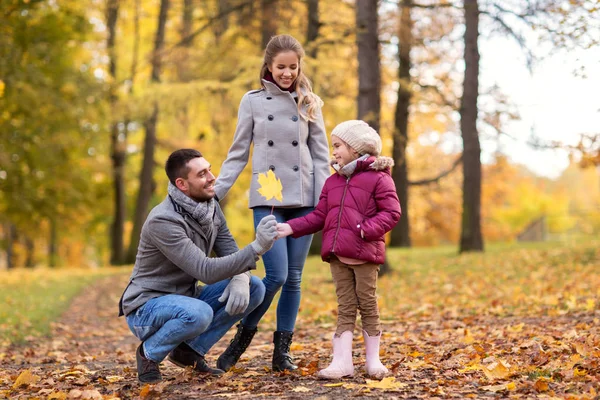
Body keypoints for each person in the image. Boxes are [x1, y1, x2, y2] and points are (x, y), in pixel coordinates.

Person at [214, 34, 330, 372]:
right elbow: (237, 154)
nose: (287, 73)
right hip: (270, 195)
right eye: (281, 67)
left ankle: (282, 353)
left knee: (294, 277)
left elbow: (321, 157)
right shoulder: (252, 102)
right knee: (276, 275)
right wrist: (215, 192)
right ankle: (241, 338)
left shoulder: (310, 102)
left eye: (293, 67)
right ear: (269, 65)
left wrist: (326, 201)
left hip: (306, 196)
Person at [118, 148, 278, 383]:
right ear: (182, 184)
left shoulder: (210, 208)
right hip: (147, 307)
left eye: (210, 169)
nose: (212, 177)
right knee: (199, 313)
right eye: (202, 174)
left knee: (255, 288)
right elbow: (205, 270)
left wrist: (241, 278)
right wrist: (257, 248)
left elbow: (230, 250)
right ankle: (149, 354)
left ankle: (189, 351)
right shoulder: (164, 220)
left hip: (186, 297)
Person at [276, 120, 401, 380]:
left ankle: (373, 361)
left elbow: (392, 212)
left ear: (356, 149)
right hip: (337, 255)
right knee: (345, 306)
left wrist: (366, 229)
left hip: (364, 254)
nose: (334, 152)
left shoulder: (379, 178)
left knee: (367, 304)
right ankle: (342, 362)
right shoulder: (333, 182)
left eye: (338, 146)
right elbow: (319, 216)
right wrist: (290, 227)